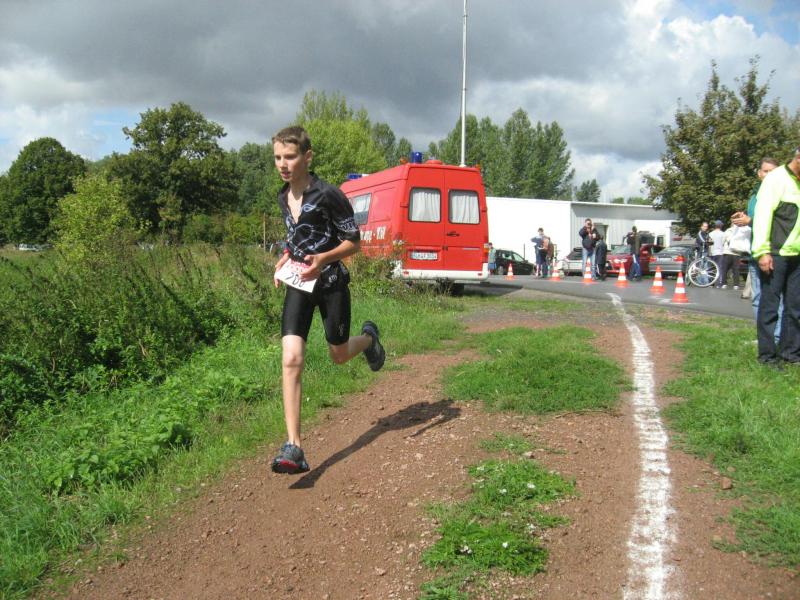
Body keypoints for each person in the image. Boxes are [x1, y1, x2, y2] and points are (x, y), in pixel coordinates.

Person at [270, 126, 386, 474]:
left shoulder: (329, 194)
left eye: (290, 157)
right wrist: (285, 257)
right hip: (299, 284)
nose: (283, 164)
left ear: (307, 157)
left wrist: (323, 259)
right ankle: (294, 446)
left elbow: (354, 242)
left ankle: (369, 340)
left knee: (338, 355)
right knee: (291, 358)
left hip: (331, 283)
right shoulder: (282, 196)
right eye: (277, 157)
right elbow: (296, 237)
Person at [751, 145, 800, 367]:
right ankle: (767, 357)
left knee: (795, 308)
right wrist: (762, 251)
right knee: (770, 307)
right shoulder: (775, 179)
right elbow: (762, 217)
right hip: (775, 254)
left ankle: (791, 354)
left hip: (797, 255)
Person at [731, 157, 781, 330]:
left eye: (772, 171)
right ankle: (763, 336)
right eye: (766, 171)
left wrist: (750, 221)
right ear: (759, 173)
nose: (769, 175)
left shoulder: (782, 194)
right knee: (757, 297)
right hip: (756, 253)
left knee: (776, 299)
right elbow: (755, 219)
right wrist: (742, 218)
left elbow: (778, 224)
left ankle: (777, 337)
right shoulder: (754, 196)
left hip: (774, 253)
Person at [719, 222, 746, 289]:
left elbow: (722, 241)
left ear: (731, 225)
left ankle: (724, 283)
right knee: (736, 269)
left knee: (725, 269)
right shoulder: (741, 231)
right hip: (737, 253)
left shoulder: (728, 231)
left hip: (727, 252)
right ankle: (736, 285)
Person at [709, 220, 725, 288]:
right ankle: (719, 283)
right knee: (719, 268)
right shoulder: (723, 234)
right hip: (720, 252)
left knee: (712, 267)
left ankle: (711, 282)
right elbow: (723, 243)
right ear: (721, 226)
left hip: (712, 252)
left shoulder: (710, 234)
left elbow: (709, 243)